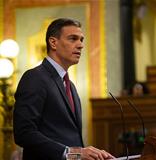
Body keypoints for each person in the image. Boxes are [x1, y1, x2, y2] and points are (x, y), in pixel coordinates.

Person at [13, 18, 114, 160]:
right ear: (53, 42)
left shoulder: (70, 85)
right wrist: (75, 154)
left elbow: (69, 138)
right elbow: (24, 133)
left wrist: (90, 155)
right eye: (73, 39)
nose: (80, 45)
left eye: (81, 40)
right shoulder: (35, 78)